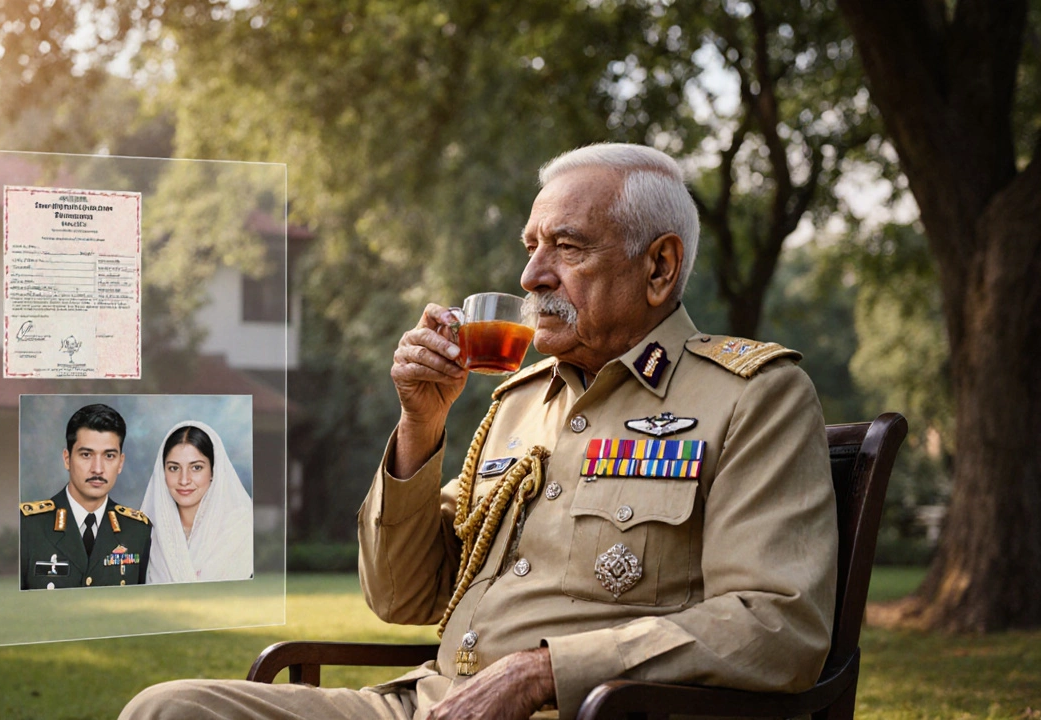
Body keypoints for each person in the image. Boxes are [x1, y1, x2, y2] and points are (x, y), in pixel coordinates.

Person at [120, 143, 837, 720]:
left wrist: (542, 674)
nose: (531, 275)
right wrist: (420, 426)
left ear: (659, 266)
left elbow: (777, 627)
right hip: (430, 703)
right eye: (531, 245)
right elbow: (401, 598)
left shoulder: (752, 398)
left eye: (566, 247)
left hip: (587, 709)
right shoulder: (518, 402)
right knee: (170, 708)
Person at [20, 403, 153, 590]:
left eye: (109, 456)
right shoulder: (28, 527)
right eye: (86, 454)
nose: (97, 469)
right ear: (67, 459)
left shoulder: (137, 531)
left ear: (120, 463)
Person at [141, 421, 254, 583]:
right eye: (174, 468)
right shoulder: (149, 533)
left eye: (196, 468)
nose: (184, 480)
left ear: (213, 471)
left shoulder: (241, 528)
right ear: (162, 472)